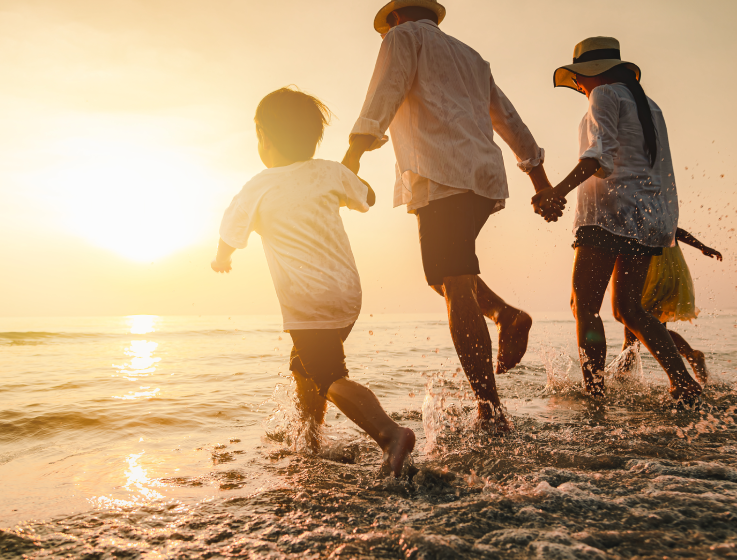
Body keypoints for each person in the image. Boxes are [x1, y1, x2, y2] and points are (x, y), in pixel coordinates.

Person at [341, 0, 551, 431]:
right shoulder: (472, 57)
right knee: (442, 274)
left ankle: (490, 408)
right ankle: (506, 316)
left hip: (442, 175)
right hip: (480, 176)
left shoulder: (402, 38)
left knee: (453, 282)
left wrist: (352, 156)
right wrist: (539, 179)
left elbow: (384, 92)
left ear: (396, 17)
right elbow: (508, 118)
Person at [211, 87, 415, 477]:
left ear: (263, 138)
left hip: (307, 302)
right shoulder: (329, 172)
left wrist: (221, 260)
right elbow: (366, 197)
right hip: (347, 296)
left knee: (328, 375)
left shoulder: (258, 186)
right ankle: (311, 440)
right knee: (305, 366)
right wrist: (342, 178)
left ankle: (389, 433)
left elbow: (230, 233)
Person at [532, 37, 702, 404]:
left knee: (585, 306)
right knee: (628, 308)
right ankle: (683, 382)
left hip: (608, 216)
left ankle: (594, 394)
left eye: (579, 78)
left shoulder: (604, 95)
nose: (579, 85)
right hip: (646, 219)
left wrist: (555, 192)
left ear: (592, 73)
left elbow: (598, 159)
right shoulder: (649, 105)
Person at [616, 227, 723, 384]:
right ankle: (691, 356)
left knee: (634, 322)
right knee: (652, 327)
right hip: (668, 268)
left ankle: (623, 375)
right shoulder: (657, 209)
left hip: (652, 270)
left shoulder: (639, 210)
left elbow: (674, 230)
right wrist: (701, 247)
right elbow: (675, 229)